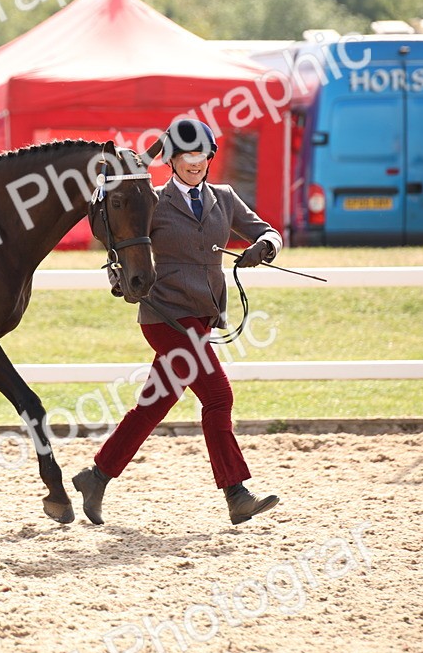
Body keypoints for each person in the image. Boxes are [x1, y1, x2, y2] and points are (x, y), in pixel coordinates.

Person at [73, 118, 282, 526]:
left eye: (201, 155)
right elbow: (119, 238)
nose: (195, 163)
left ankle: (96, 477)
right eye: (186, 155)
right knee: (218, 397)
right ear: (171, 159)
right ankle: (236, 493)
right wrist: (118, 275)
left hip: (202, 318)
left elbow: (268, 231)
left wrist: (263, 247)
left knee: (154, 405)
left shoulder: (224, 198)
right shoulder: (153, 201)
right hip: (165, 314)